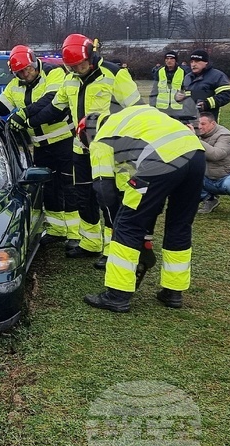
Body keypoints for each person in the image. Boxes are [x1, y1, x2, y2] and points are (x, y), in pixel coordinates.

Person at [24, 34, 141, 267]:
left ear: (91, 56)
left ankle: (113, 248)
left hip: (111, 150)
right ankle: (90, 243)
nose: (78, 69)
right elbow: (55, 108)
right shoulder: (71, 79)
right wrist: (26, 120)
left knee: (109, 198)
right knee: (83, 196)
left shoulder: (115, 75)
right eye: (73, 67)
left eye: (81, 65)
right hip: (81, 148)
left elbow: (136, 110)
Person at [79, 106, 205, 313]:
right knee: (180, 224)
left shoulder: (101, 138)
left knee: (127, 223)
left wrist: (115, 222)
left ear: (87, 133)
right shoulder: (131, 119)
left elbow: (104, 189)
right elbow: (145, 189)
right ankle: (173, 291)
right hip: (195, 152)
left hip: (161, 158)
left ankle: (117, 295)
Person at [0, 45, 77, 244]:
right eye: (20, 72)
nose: (25, 74)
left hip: (65, 141)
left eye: (28, 69)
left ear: (35, 63)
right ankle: (56, 229)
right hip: (40, 145)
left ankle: (76, 234)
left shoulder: (53, 73)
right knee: (48, 187)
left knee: (69, 186)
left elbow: (52, 100)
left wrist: (24, 115)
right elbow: (3, 108)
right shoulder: (14, 84)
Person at [195, 112, 230, 216]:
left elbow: (216, 155)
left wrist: (195, 139)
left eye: (203, 124)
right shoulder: (199, 135)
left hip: (229, 176)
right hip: (208, 178)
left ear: (213, 124)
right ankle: (209, 200)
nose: (199, 127)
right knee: (185, 176)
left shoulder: (226, 136)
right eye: (197, 124)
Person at [178, 49, 230, 121]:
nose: (193, 64)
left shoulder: (217, 76)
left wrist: (206, 104)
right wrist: (178, 97)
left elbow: (226, 95)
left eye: (197, 61)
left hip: (207, 121)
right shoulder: (187, 77)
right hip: (188, 121)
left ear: (206, 62)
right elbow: (183, 93)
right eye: (191, 62)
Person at [149, 51, 187, 117]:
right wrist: (152, 105)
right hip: (162, 108)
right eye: (167, 59)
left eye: (171, 59)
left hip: (178, 108)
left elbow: (187, 90)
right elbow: (154, 90)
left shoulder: (183, 72)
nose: (169, 61)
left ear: (176, 60)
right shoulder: (159, 71)